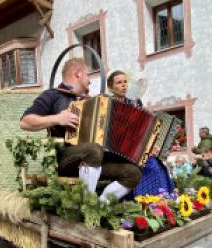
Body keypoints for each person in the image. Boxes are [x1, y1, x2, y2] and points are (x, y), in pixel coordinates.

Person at [20, 59, 142, 202]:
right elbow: (25, 122)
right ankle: (86, 205)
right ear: (78, 73)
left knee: (133, 173)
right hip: (67, 160)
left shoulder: (95, 101)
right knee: (93, 150)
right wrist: (58, 118)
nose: (89, 80)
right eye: (88, 75)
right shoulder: (53, 95)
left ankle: (100, 207)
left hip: (96, 160)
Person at [107, 70, 174, 196]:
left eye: (125, 82)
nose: (124, 85)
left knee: (158, 165)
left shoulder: (135, 103)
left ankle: (161, 202)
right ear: (111, 87)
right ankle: (147, 202)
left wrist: (152, 145)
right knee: (151, 165)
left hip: (136, 150)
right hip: (117, 153)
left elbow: (143, 129)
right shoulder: (108, 105)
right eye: (119, 82)